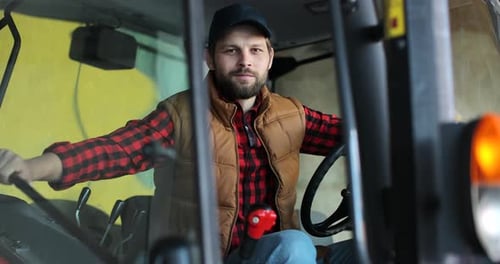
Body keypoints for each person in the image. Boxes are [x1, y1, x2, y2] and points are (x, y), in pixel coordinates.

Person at [0, 3, 353, 263]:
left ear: (269, 58)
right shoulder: (181, 116)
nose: (245, 60)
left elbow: (356, 136)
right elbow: (115, 151)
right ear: (210, 58)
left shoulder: (290, 114)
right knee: (295, 246)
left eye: (255, 50)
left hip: (271, 252)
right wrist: (30, 168)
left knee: (374, 245)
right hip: (213, 258)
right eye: (232, 50)